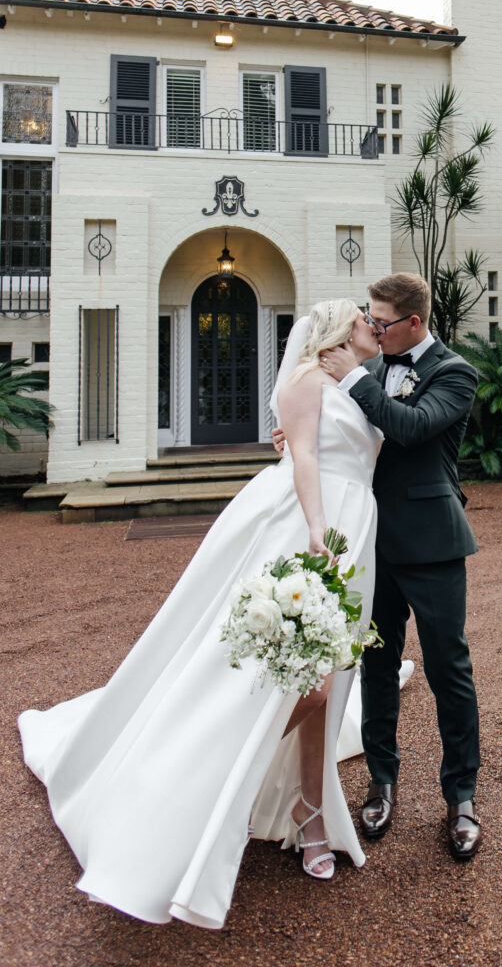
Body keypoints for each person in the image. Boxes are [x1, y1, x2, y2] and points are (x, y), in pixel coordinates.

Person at [17, 299, 381, 929]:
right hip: (304, 529)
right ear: (334, 333)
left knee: (328, 680)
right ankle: (206, 783)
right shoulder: (302, 383)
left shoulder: (365, 385)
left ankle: (311, 809)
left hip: (357, 529)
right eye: (362, 320)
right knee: (295, 683)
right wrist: (319, 530)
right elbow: (304, 459)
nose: (372, 327)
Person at [318, 273, 483, 860]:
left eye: (382, 321)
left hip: (432, 543)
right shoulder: (366, 367)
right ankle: (381, 783)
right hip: (369, 542)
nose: (373, 328)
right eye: (371, 317)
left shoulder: (454, 372)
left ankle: (460, 797)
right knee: (376, 665)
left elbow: (410, 427)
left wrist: (358, 378)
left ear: (414, 323)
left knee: (448, 669)